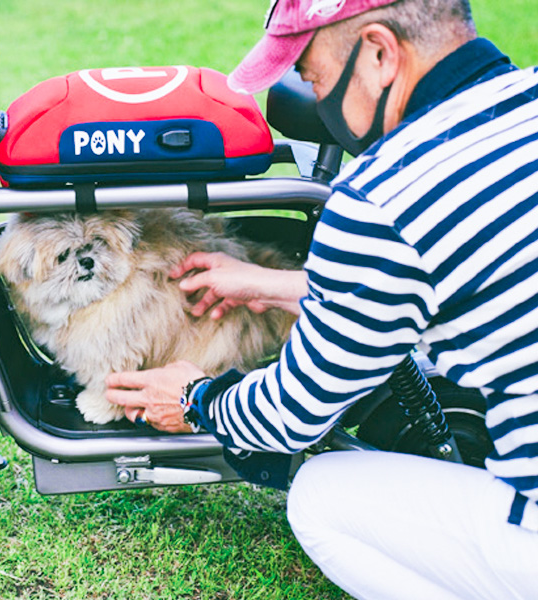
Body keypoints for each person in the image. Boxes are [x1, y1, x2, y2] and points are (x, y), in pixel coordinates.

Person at [105, 0, 538, 598]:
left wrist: (194, 397)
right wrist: (275, 282)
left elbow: (294, 412)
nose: (308, 98)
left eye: (311, 76)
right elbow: (474, 266)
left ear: (381, 53)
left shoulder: (384, 196)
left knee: (319, 497)